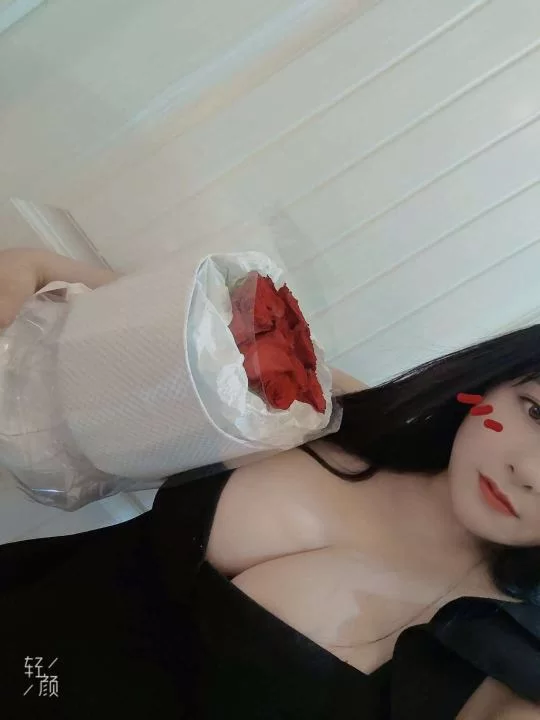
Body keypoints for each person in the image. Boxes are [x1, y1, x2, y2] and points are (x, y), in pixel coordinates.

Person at [0, 248, 538, 719]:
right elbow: (193, 335)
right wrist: (35, 268)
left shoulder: (504, 668)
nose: (530, 471)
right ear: (493, 379)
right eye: (535, 411)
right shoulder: (347, 416)